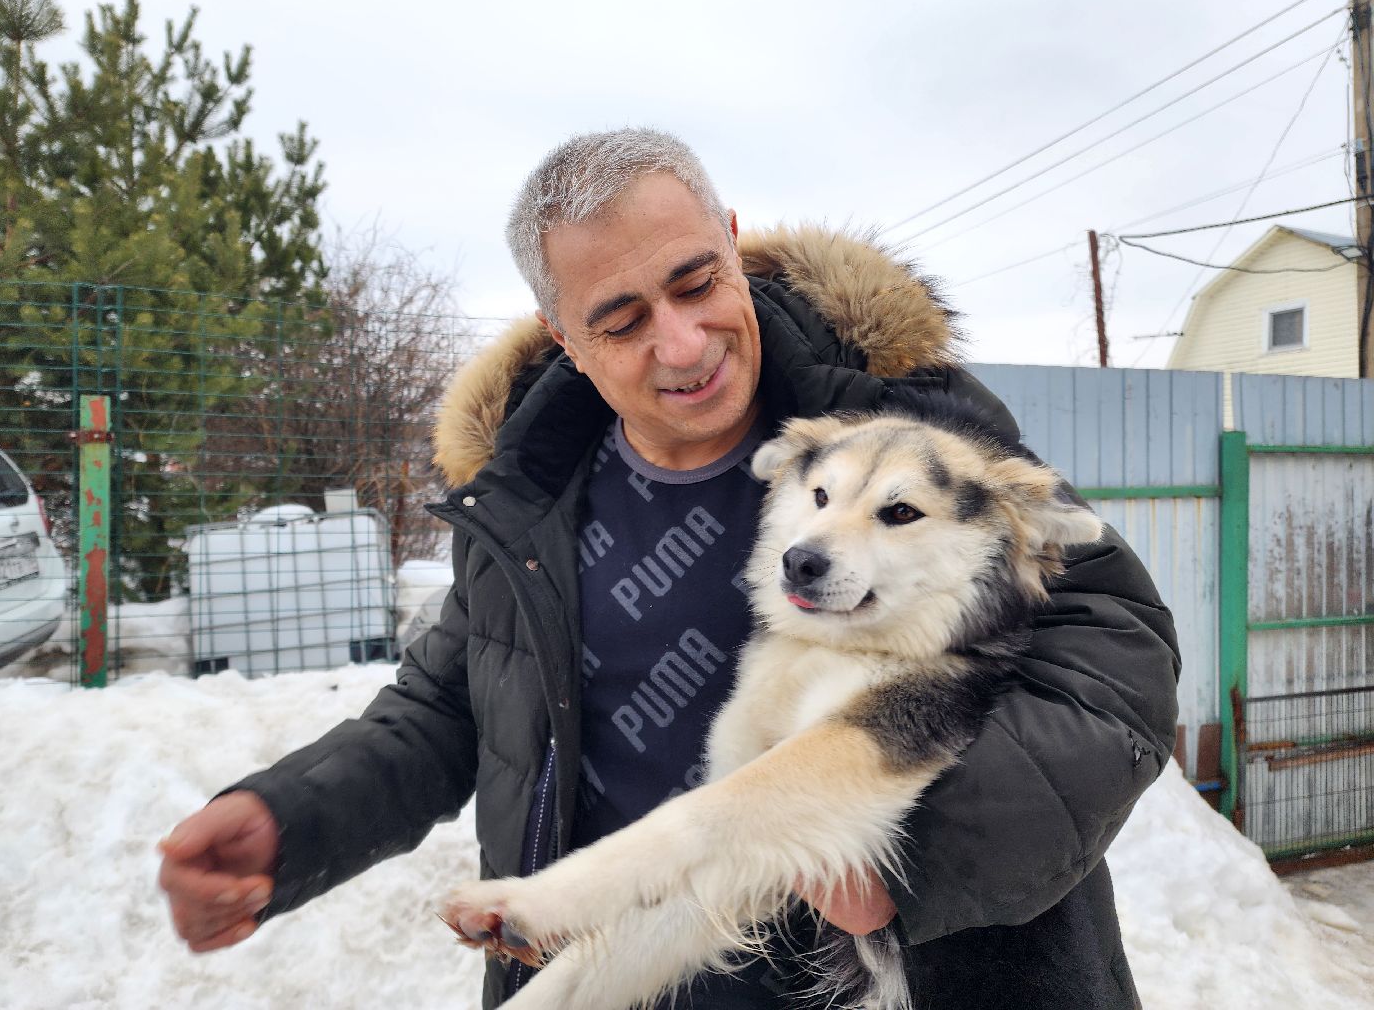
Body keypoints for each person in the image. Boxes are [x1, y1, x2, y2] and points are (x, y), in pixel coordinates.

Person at [159, 128, 1179, 1009]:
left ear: (733, 243)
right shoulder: (529, 495)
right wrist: (290, 818)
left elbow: (1112, 652)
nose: (684, 344)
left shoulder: (897, 416)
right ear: (564, 335)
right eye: (624, 319)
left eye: (697, 283)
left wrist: (915, 861)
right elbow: (446, 706)